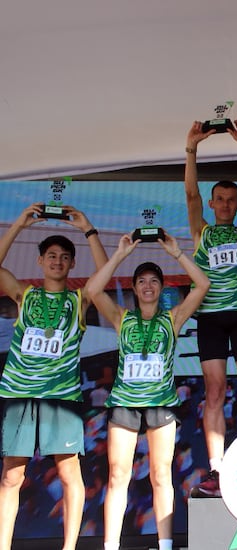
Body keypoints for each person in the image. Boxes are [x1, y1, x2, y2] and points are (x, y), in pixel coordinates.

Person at [85, 233, 209, 550]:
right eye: (142, 281)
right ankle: (110, 546)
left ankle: (165, 545)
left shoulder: (173, 318)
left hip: (161, 405)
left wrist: (177, 252)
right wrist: (120, 255)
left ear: (161, 287)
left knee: (160, 475)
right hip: (124, 405)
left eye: (154, 281)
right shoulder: (121, 317)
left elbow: (203, 285)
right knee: (117, 476)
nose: (148, 286)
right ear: (135, 288)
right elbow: (93, 290)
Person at [0, 204, 107, 550]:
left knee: (68, 473)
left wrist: (88, 228)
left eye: (64, 256)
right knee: (11, 476)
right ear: (40, 261)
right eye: (51, 255)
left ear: (72, 264)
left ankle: (69, 548)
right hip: (19, 395)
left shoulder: (80, 300)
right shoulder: (25, 295)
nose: (57, 261)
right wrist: (19, 223)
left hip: (61, 398)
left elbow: (106, 275)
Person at [184, 118, 237, 497]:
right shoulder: (201, 231)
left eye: (230, 200)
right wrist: (192, 150)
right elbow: (190, 197)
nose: (225, 204)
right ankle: (216, 470)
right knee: (215, 391)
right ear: (213, 203)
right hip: (211, 319)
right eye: (218, 199)